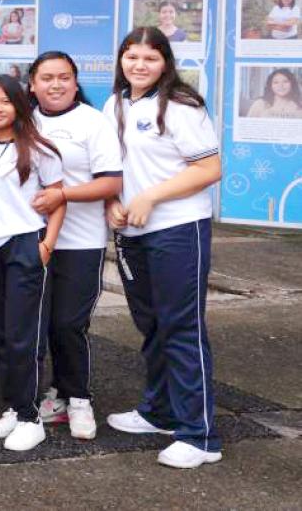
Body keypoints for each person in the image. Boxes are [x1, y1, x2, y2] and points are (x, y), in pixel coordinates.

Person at [102, 28, 223, 469]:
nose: (138, 65)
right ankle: (160, 411)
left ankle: (200, 435)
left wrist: (152, 197)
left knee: (182, 328)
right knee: (152, 325)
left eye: (149, 58)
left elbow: (210, 169)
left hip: (177, 229)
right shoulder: (115, 104)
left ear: (165, 63)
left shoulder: (182, 105)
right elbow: (112, 167)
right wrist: (112, 201)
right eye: (131, 56)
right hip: (132, 233)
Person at [0, 75, 65, 452]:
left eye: (4, 101)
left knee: (24, 335)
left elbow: (58, 199)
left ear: (19, 105)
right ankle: (14, 405)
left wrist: (47, 245)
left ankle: (31, 417)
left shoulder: (40, 149)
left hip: (24, 244)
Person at [27, 52, 123, 440]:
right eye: (46, 78)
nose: (55, 85)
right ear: (32, 83)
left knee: (69, 323)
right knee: (42, 323)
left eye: (64, 77)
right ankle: (57, 392)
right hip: (30, 239)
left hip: (80, 241)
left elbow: (110, 183)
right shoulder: (23, 119)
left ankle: (80, 399)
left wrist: (61, 196)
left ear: (75, 81)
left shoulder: (92, 121)